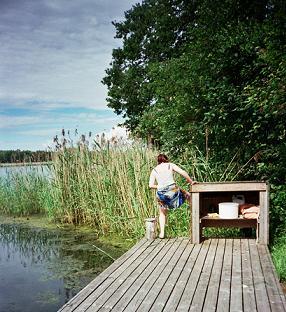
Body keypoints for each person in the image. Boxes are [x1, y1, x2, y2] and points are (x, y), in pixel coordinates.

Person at [149, 153, 195, 239]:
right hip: (172, 191)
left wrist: (159, 186)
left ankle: (162, 233)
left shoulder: (154, 170)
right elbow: (182, 172)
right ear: (166, 159)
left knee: (162, 212)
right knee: (187, 194)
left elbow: (150, 185)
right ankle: (194, 210)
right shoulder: (170, 165)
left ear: (158, 161)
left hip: (161, 193)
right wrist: (191, 181)